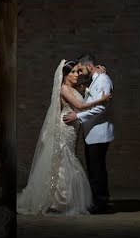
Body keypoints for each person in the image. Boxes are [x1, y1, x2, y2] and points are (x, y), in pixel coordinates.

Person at [17, 59, 111, 216]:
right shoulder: (64, 89)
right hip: (64, 127)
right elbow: (80, 107)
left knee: (67, 159)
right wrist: (102, 100)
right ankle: (56, 201)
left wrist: (100, 71)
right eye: (73, 72)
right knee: (62, 160)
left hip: (72, 129)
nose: (77, 74)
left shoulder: (75, 88)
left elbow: (90, 85)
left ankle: (64, 200)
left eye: (77, 71)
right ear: (65, 75)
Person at [63, 54, 114, 214]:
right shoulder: (95, 80)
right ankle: (97, 200)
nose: (80, 73)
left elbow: (101, 107)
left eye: (81, 69)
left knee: (97, 168)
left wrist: (77, 116)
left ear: (89, 66)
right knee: (94, 168)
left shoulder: (103, 80)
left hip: (99, 132)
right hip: (92, 131)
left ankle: (101, 202)